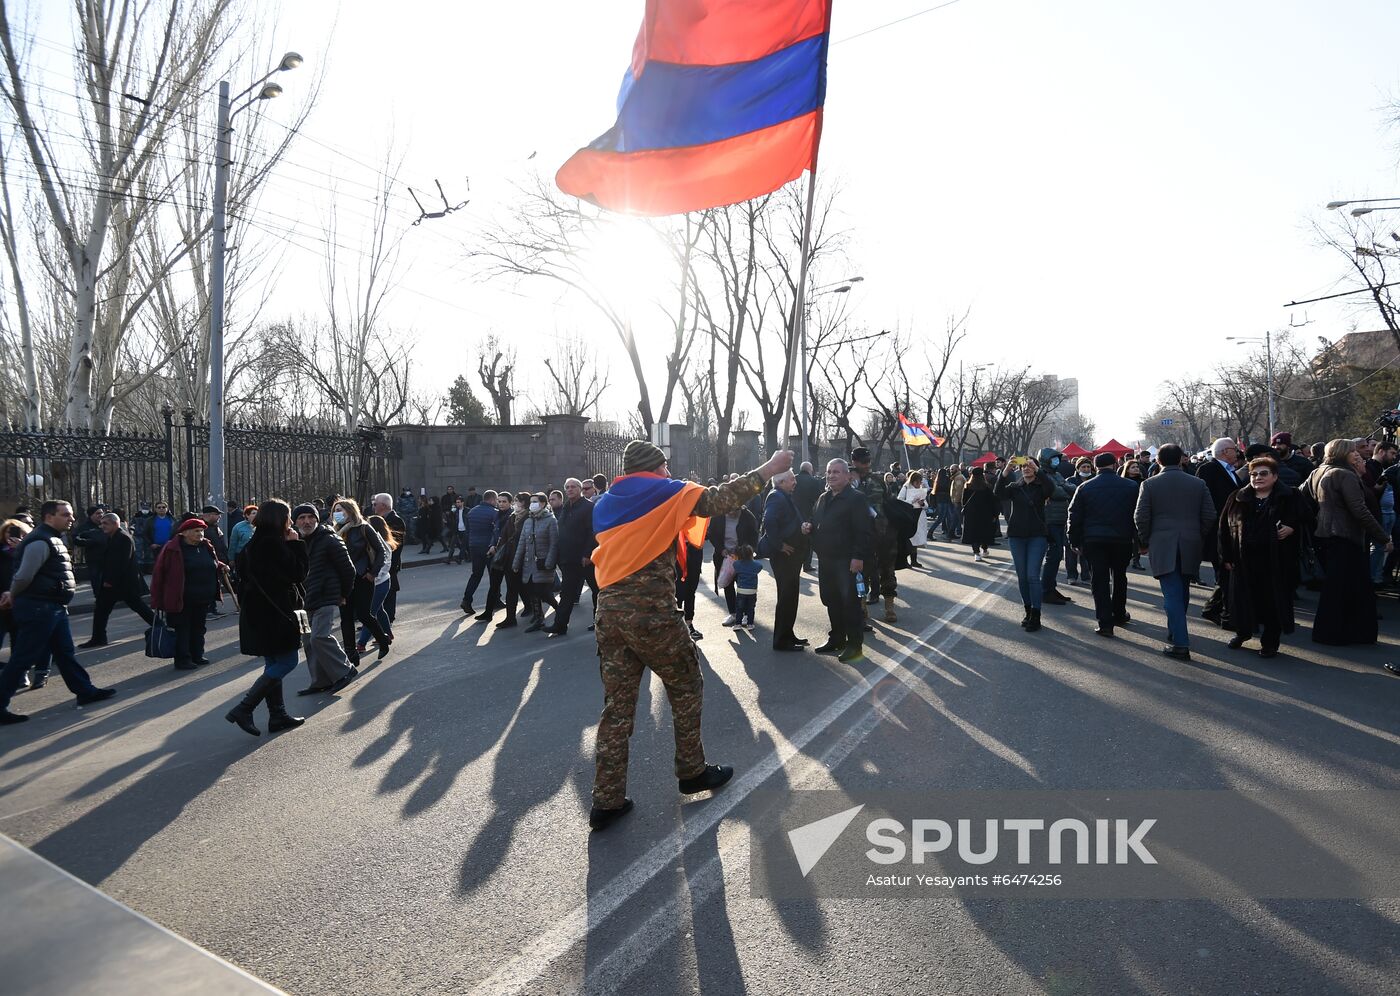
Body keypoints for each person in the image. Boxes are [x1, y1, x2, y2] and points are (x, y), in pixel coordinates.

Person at [586, 440, 792, 831]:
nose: (669, 472)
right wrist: (769, 468)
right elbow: (720, 499)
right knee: (685, 684)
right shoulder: (664, 491)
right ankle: (692, 771)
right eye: (664, 465)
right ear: (655, 467)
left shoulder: (607, 501)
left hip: (608, 611)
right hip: (650, 612)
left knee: (617, 707)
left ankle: (606, 800)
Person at [0, 501, 116, 724]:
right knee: (23, 657)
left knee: (64, 653)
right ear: (49, 517)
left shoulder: (51, 538)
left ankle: (85, 690)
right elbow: (24, 576)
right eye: (66, 515)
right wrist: (12, 593)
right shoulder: (40, 541)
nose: (71, 519)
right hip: (39, 607)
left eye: (71, 514)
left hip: (52, 606)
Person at [225, 500, 309, 737]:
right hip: (277, 615)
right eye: (289, 517)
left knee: (273, 663)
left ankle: (278, 715)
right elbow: (298, 573)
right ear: (279, 519)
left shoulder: (252, 544)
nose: (291, 522)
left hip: (257, 615)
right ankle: (244, 708)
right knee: (287, 662)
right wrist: (296, 545)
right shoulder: (275, 545)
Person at [1305, 439, 1393, 646]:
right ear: (1343, 453)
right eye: (1353, 451)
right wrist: (1383, 537)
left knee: (1336, 589)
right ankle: (1345, 633)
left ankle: (1331, 632)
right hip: (1345, 537)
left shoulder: (1319, 471)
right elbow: (1359, 510)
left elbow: (1305, 496)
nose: (1358, 455)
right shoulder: (1344, 474)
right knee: (1348, 588)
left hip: (1327, 536)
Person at [1134, 444, 1217, 661]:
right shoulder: (1198, 483)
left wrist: (1146, 539)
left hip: (1162, 542)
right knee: (1182, 587)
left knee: (1171, 592)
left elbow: (1140, 516)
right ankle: (1175, 629)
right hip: (1191, 541)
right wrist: (1196, 534)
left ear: (1158, 461)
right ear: (1181, 459)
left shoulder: (1149, 484)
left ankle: (1181, 642)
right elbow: (1209, 515)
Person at [1218, 455, 1303, 658]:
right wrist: (1226, 556)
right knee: (1243, 600)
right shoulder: (1237, 497)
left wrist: (1291, 527)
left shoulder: (1289, 496)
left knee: (1273, 602)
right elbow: (1223, 528)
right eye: (1253, 474)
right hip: (1243, 560)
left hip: (1276, 561)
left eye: (1263, 473)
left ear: (1274, 476)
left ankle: (1270, 642)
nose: (1257, 477)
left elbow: (1306, 517)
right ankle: (1243, 633)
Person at [805, 458, 874, 663]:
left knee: (850, 603)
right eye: (829, 471)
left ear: (847, 475)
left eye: (836, 472)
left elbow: (864, 531)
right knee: (831, 600)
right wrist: (808, 526)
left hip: (847, 561)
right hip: (826, 560)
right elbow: (815, 519)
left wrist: (858, 557)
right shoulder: (823, 498)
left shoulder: (856, 499)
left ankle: (854, 645)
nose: (831, 475)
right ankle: (837, 639)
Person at [1067, 453, 1141, 637]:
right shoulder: (1131, 486)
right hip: (1122, 539)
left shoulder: (1084, 487)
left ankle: (1105, 622)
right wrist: (1141, 540)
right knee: (1120, 576)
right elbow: (1139, 515)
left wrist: (1074, 540)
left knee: (1099, 580)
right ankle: (1119, 613)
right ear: (1115, 464)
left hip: (1094, 539)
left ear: (1095, 466)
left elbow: (1074, 515)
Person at [292, 502, 357, 696]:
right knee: (308, 641)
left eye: (310, 517)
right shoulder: (297, 542)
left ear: (317, 519)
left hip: (325, 597)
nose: (307, 521)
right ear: (295, 522)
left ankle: (345, 670)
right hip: (303, 603)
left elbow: (349, 570)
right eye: (302, 518)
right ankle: (320, 681)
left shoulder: (329, 539)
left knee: (319, 636)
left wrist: (343, 594)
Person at [151, 516, 224, 670]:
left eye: (202, 531)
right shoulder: (172, 548)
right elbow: (159, 574)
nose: (200, 534)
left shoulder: (206, 546)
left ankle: (197, 655)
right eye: (196, 531)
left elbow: (212, 562)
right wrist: (157, 600)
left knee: (199, 627)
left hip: (203, 597)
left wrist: (221, 566)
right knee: (183, 629)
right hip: (181, 598)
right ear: (184, 533)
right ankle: (183, 659)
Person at [995, 457, 1055, 631]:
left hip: (1037, 536)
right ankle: (1028, 611)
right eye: (1023, 466)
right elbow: (998, 493)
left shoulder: (1041, 487)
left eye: (1030, 466)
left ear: (1035, 468)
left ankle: (1036, 615)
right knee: (1022, 577)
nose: (1026, 469)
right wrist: (1005, 471)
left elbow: (1052, 489)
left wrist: (1039, 470)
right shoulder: (1015, 487)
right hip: (1016, 536)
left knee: (1032, 576)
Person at [82, 512, 155, 648]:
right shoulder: (112, 536)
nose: (102, 526)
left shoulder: (122, 538)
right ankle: (98, 637)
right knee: (103, 609)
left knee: (136, 606)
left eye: (105, 523)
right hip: (118, 582)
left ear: (115, 523)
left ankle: (160, 626)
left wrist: (109, 580)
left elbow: (121, 563)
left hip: (121, 582)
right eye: (101, 523)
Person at [334, 498, 393, 661]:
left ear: (350, 510)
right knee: (345, 618)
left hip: (362, 578)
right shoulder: (335, 531)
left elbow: (381, 551)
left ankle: (383, 640)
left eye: (340, 510)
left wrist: (373, 573)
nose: (337, 513)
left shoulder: (364, 528)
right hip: (343, 580)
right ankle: (351, 655)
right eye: (335, 510)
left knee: (363, 614)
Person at [1198, 437, 1243, 626]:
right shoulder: (1208, 469)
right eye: (1234, 449)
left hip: (1232, 528)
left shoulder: (1231, 470)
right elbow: (1205, 501)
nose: (1237, 452)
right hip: (1218, 529)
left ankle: (1217, 609)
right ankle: (1221, 611)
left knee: (1227, 573)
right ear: (1225, 451)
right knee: (1223, 572)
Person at [762, 469, 808, 651]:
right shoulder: (776, 496)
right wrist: (780, 545)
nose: (795, 482)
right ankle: (782, 640)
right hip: (784, 556)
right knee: (786, 598)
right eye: (792, 480)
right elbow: (769, 522)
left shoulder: (783, 495)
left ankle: (788, 634)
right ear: (781, 482)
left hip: (790, 556)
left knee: (790, 597)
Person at [851, 447, 898, 622]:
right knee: (860, 574)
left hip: (882, 533)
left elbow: (889, 502)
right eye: (862, 462)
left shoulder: (878, 479)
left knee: (887, 570)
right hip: (860, 535)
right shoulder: (848, 479)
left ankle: (889, 608)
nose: (866, 465)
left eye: (867, 461)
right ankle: (862, 608)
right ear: (854, 462)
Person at [548, 478, 597, 638]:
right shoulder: (565, 508)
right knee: (567, 593)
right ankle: (560, 625)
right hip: (568, 558)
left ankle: (600, 621)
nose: (570, 489)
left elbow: (593, 532)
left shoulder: (589, 506)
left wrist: (588, 554)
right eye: (567, 487)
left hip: (585, 559)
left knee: (596, 590)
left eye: (573, 486)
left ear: (580, 488)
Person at [514, 492, 560, 633]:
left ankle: (561, 611)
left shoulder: (551, 520)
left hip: (543, 563)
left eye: (536, 501)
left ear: (544, 504)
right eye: (532, 501)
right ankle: (539, 619)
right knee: (533, 592)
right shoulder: (528, 521)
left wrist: (549, 562)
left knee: (544, 592)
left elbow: (554, 543)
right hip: (529, 564)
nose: (533, 504)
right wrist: (516, 563)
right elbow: (522, 544)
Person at [707, 502, 758, 627]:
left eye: (735, 510)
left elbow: (754, 535)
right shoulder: (718, 516)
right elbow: (712, 534)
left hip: (743, 556)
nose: (731, 513)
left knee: (744, 585)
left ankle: (746, 614)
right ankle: (733, 613)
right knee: (727, 585)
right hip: (724, 556)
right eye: (728, 510)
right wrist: (721, 549)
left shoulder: (747, 516)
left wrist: (746, 550)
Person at [1037, 448, 1075, 607]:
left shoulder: (1056, 474)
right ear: (1045, 460)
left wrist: (1064, 488)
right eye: (1053, 458)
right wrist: (1064, 489)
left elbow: (1072, 489)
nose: (1056, 461)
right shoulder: (1042, 476)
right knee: (1053, 555)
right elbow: (1057, 493)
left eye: (1057, 458)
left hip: (1060, 519)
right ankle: (1046, 591)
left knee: (1057, 554)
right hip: (1050, 520)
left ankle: (1051, 588)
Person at [459, 489, 500, 614]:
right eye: (497, 500)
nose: (497, 503)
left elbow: (469, 530)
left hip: (474, 546)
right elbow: (496, 531)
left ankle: (466, 600)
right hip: (488, 547)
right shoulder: (494, 513)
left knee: (476, 575)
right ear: (492, 499)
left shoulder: (472, 511)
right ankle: (496, 600)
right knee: (494, 575)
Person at [372, 493, 407, 624]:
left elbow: (394, 545)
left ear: (384, 505)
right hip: (379, 562)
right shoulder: (378, 519)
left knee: (389, 593)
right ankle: (374, 620)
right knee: (378, 594)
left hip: (390, 563)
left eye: (375, 504)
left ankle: (388, 620)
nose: (373, 506)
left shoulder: (396, 520)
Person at [793, 461, 823, 574]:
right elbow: (818, 498)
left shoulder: (793, 479)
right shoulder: (814, 481)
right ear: (810, 470)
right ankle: (807, 564)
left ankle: (795, 563)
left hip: (794, 515)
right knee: (808, 541)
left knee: (795, 539)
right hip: (809, 514)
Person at [962, 467, 996, 560]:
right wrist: (994, 514)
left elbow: (963, 501)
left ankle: (976, 553)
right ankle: (984, 550)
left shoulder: (967, 486)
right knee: (984, 532)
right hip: (985, 513)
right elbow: (992, 502)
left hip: (971, 513)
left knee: (974, 533)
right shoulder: (987, 487)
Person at [897, 471, 929, 568]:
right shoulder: (906, 488)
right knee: (908, 539)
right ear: (912, 481)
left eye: (920, 482)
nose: (918, 484)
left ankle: (914, 560)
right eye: (917, 482)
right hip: (909, 515)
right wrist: (911, 501)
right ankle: (905, 560)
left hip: (919, 515)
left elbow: (926, 505)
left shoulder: (920, 489)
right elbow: (899, 500)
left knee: (916, 539)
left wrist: (922, 504)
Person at [1121, 460, 1146, 568]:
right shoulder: (1122, 482)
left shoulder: (1143, 481)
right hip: (1125, 512)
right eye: (1133, 467)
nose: (1136, 468)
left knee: (1137, 538)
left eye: (1137, 467)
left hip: (1138, 511)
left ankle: (1136, 560)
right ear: (1127, 469)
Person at [731, 545, 761, 630]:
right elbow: (760, 566)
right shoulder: (755, 565)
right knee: (751, 608)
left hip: (741, 590)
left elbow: (734, 565)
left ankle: (738, 624)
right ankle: (750, 624)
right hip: (752, 590)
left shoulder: (737, 564)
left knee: (739, 608)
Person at [945, 463, 966, 541]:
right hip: (956, 501)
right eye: (950, 469)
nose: (951, 471)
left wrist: (957, 501)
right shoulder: (956, 477)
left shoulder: (959, 478)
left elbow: (959, 491)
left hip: (958, 502)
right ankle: (951, 533)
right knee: (956, 518)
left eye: (952, 469)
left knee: (961, 519)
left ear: (957, 469)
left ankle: (965, 535)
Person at [446, 496, 469, 565]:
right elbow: (452, 520)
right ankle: (468, 557)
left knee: (463, 545)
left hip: (466, 530)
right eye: (456, 502)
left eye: (459, 502)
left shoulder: (467, 510)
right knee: (461, 545)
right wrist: (450, 513)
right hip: (458, 530)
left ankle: (460, 558)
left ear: (462, 503)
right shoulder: (456, 511)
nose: (457, 504)